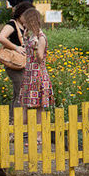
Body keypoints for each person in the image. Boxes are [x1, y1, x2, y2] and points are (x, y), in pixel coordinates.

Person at [16, 7, 54, 143]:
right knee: (25, 104)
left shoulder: (41, 37)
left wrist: (36, 47)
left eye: (25, 22)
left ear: (31, 21)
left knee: (38, 108)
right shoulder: (30, 35)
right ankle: (21, 133)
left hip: (37, 73)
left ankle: (39, 136)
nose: (24, 24)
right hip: (29, 73)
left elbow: (40, 57)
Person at [0, 1, 35, 120]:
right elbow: (1, 38)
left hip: (21, 63)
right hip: (14, 64)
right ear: (21, 14)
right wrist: (16, 48)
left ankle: (14, 121)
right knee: (21, 93)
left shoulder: (23, 27)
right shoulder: (12, 25)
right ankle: (19, 123)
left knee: (17, 93)